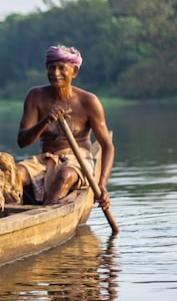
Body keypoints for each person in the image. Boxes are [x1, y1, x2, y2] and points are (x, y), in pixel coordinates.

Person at [16, 44, 114, 207]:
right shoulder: (35, 96)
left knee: (65, 175)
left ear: (74, 72)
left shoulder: (88, 101)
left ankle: (45, 213)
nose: (55, 73)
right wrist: (46, 120)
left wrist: (102, 184)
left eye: (62, 68)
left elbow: (107, 146)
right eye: (51, 68)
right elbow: (22, 142)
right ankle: (13, 214)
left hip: (78, 161)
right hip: (46, 160)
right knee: (13, 175)